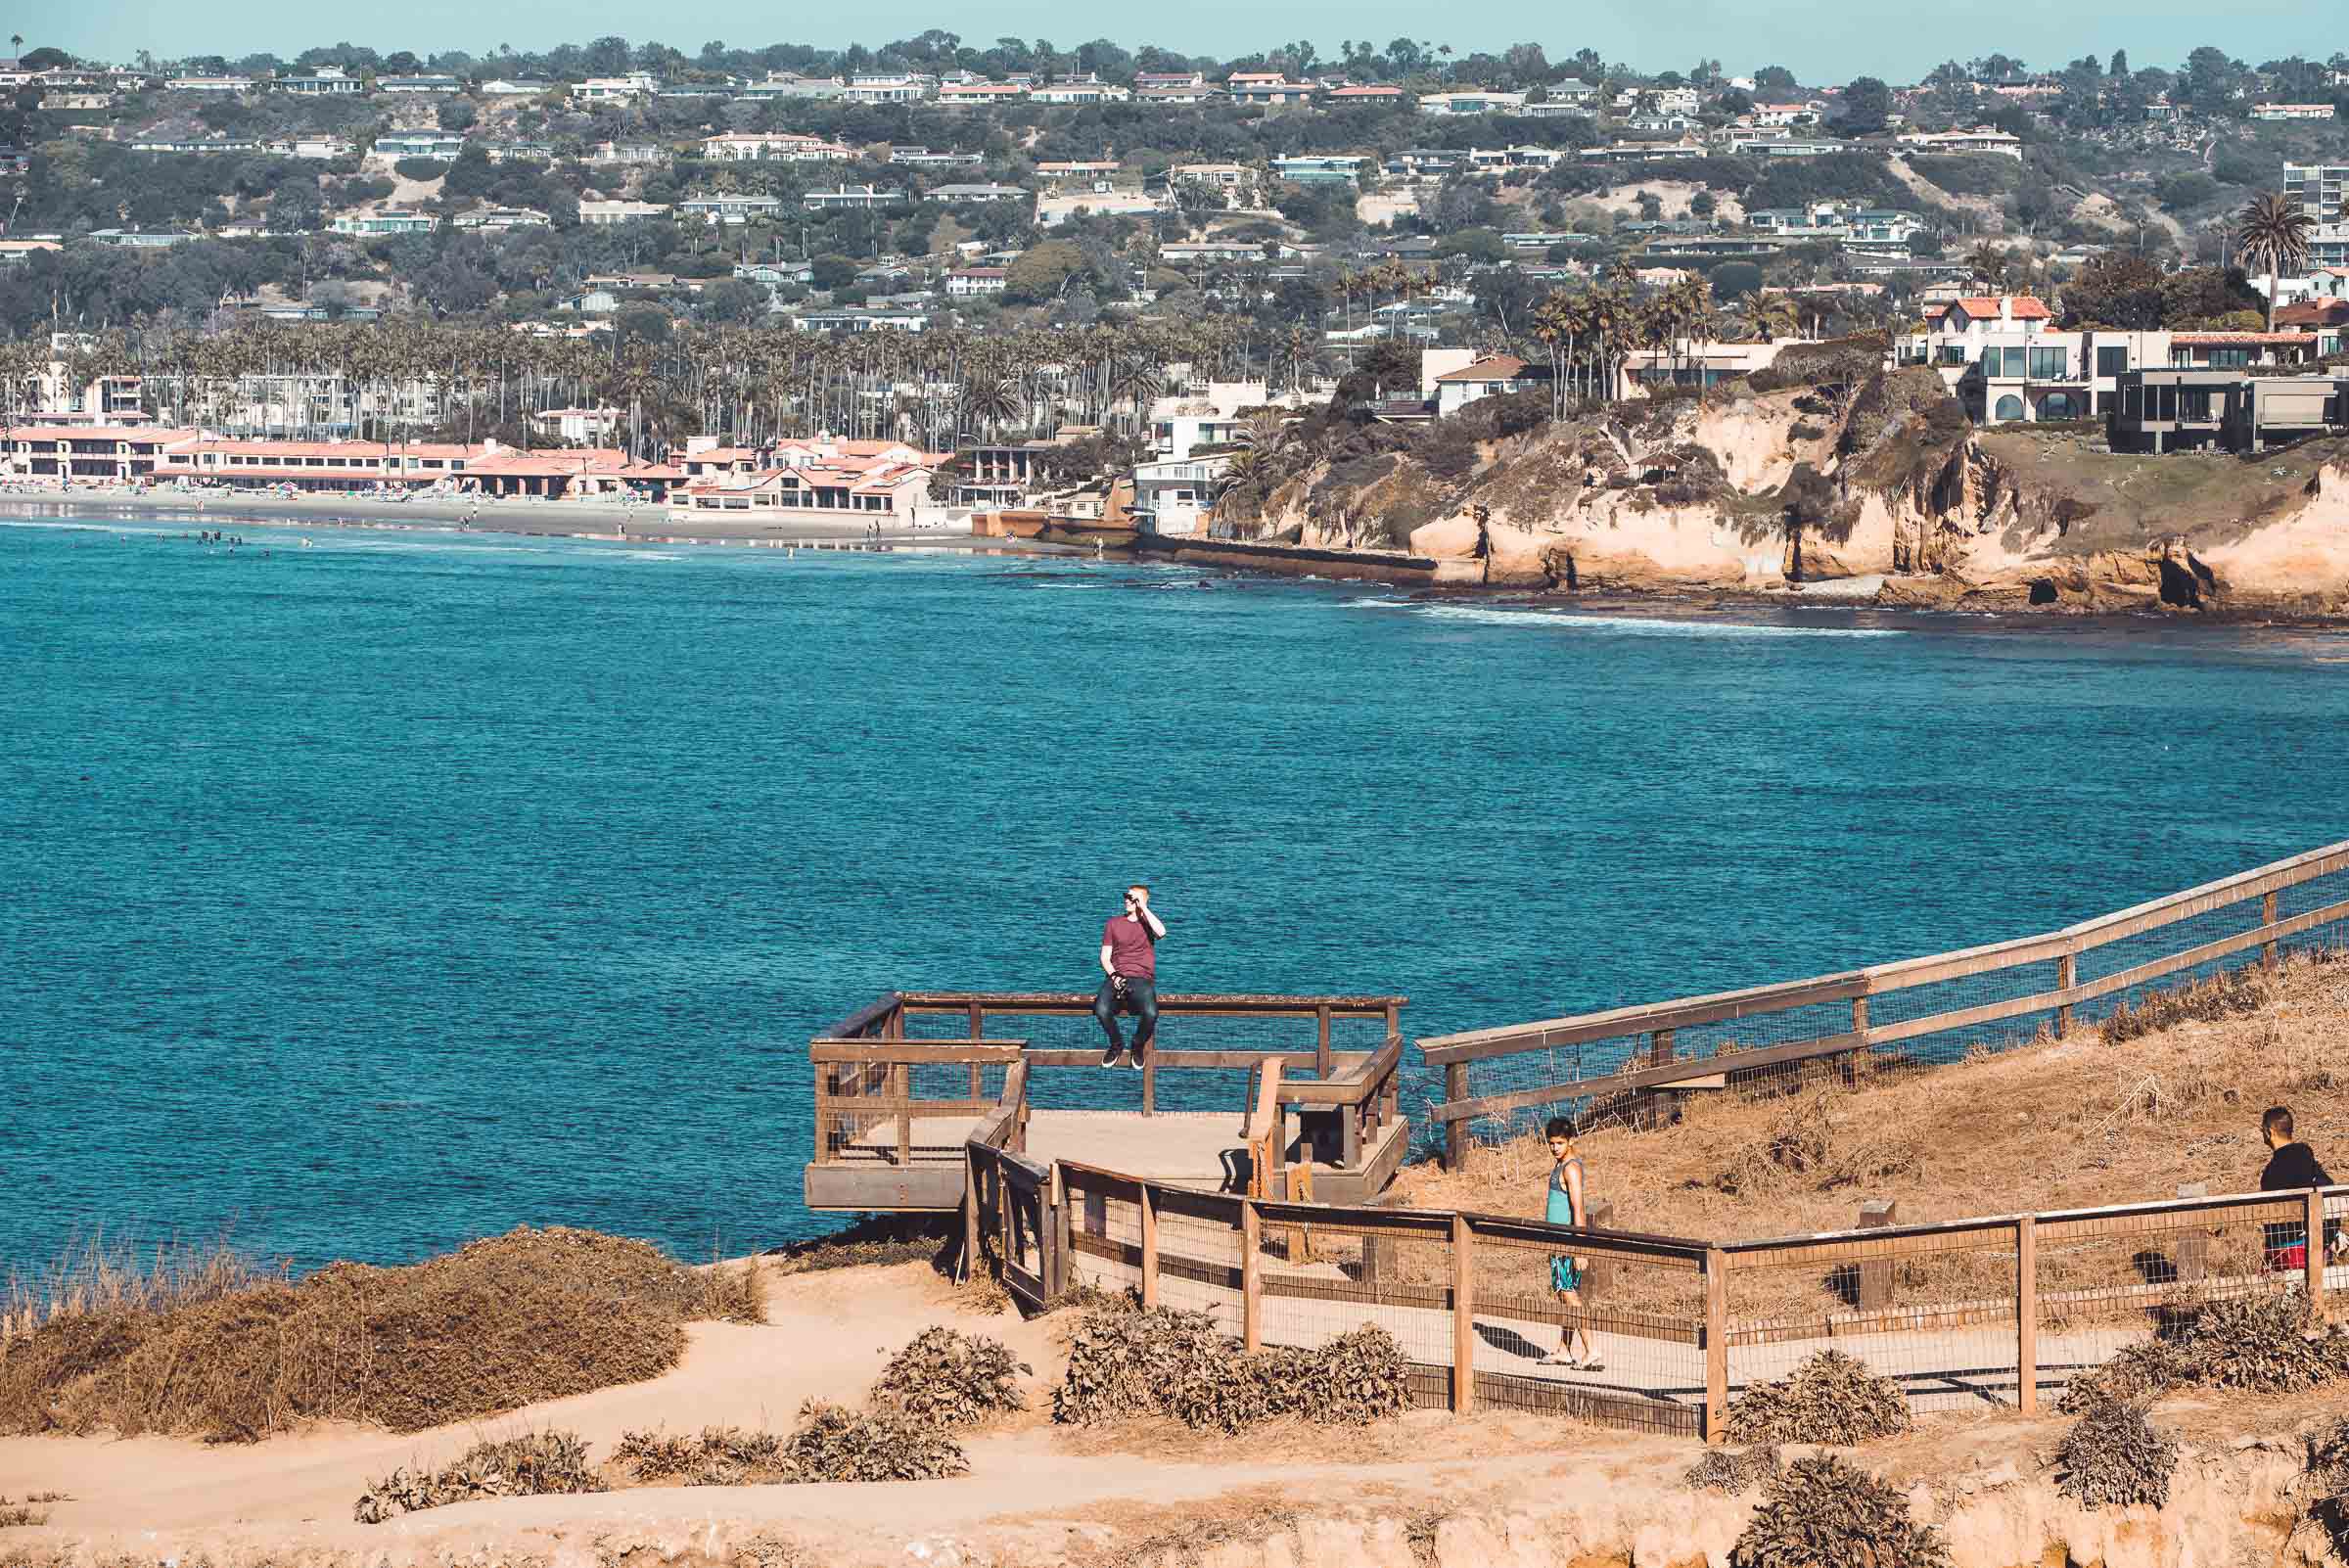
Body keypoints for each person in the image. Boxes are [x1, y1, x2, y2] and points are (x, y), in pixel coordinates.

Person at [1542, 1117, 1602, 1370]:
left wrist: (1579, 1249)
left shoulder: (1571, 1169)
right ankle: (1564, 1349)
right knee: (1564, 1293)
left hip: (1566, 1243)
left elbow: (1578, 1210)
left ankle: (1591, 1349)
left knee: (1567, 1292)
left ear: (1571, 1141)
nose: (1555, 1148)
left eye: (1560, 1143)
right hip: (1556, 1242)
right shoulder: (1560, 1165)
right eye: (1551, 1143)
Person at [2259, 1105, 2342, 1270]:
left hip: (2291, 1249)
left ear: (2270, 1132)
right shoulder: (2306, 1159)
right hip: (2309, 1244)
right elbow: (2329, 1190)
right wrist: (2327, 1236)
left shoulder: (2274, 1170)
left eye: (2263, 1129)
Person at [1094, 885, 1165, 1070]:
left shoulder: (1148, 922)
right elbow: (1104, 957)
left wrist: (1144, 908)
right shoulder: (1113, 923)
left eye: (1131, 897)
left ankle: (1137, 1046)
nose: (1126, 900)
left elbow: (1161, 933)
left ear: (1141, 901)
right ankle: (1116, 1044)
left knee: (1151, 1013)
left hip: (1142, 977)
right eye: (1126, 896)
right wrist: (1115, 976)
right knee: (1101, 1010)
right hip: (1116, 976)